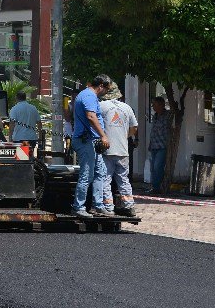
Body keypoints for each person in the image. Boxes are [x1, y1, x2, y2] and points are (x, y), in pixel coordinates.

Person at [71, 74, 112, 217]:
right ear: (101, 85)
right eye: (107, 89)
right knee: (87, 174)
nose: (106, 92)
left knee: (100, 172)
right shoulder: (88, 96)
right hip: (86, 141)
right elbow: (91, 116)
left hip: (91, 141)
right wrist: (103, 135)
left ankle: (98, 205)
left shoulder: (89, 96)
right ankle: (79, 207)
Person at [99, 83, 139, 216]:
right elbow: (134, 128)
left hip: (107, 149)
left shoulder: (101, 106)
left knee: (106, 178)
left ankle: (108, 207)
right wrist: (124, 136)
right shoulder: (127, 108)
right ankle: (129, 205)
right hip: (123, 150)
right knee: (123, 179)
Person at [147, 96, 172, 194]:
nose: (153, 106)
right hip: (154, 145)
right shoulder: (155, 116)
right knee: (153, 167)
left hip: (162, 146)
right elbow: (153, 131)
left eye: (154, 104)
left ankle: (158, 187)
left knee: (158, 167)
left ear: (161, 105)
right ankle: (155, 187)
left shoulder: (167, 115)